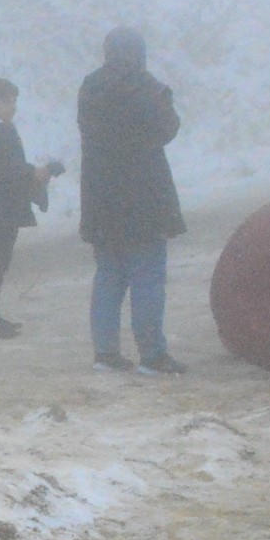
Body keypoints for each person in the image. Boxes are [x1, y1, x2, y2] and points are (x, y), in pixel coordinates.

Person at [76, 27, 186, 373]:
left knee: (108, 275)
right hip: (144, 196)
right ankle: (152, 355)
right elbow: (168, 128)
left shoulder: (90, 87)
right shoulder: (147, 87)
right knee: (147, 276)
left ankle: (105, 354)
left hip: (101, 198)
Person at [0, 76, 59, 337]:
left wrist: (34, 173)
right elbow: (8, 170)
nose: (13, 107)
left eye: (14, 102)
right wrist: (39, 173)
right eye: (7, 102)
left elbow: (2, 169)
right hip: (2, 206)